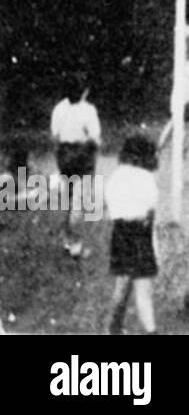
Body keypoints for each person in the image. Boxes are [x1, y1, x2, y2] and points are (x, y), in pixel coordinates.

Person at [104, 134, 159, 335]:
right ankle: (151, 331)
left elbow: (110, 204)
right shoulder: (146, 179)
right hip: (140, 232)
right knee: (143, 288)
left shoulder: (116, 176)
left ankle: (113, 327)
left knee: (122, 283)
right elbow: (150, 212)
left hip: (119, 232)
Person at [50, 73, 102, 259]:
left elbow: (54, 136)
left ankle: (67, 239)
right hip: (83, 155)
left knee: (69, 197)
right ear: (84, 91)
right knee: (80, 200)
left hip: (64, 155)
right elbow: (95, 138)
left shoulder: (58, 109)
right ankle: (75, 244)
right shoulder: (88, 110)